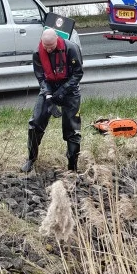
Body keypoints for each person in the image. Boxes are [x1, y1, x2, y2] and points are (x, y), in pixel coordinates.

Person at [22, 28, 83, 173]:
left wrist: (63, 91)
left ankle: (72, 167)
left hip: (70, 88)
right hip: (49, 87)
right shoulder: (37, 53)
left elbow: (78, 73)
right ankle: (31, 158)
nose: (48, 50)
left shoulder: (71, 49)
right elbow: (41, 78)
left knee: (72, 128)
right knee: (35, 123)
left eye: (51, 46)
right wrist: (49, 97)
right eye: (45, 47)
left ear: (57, 39)